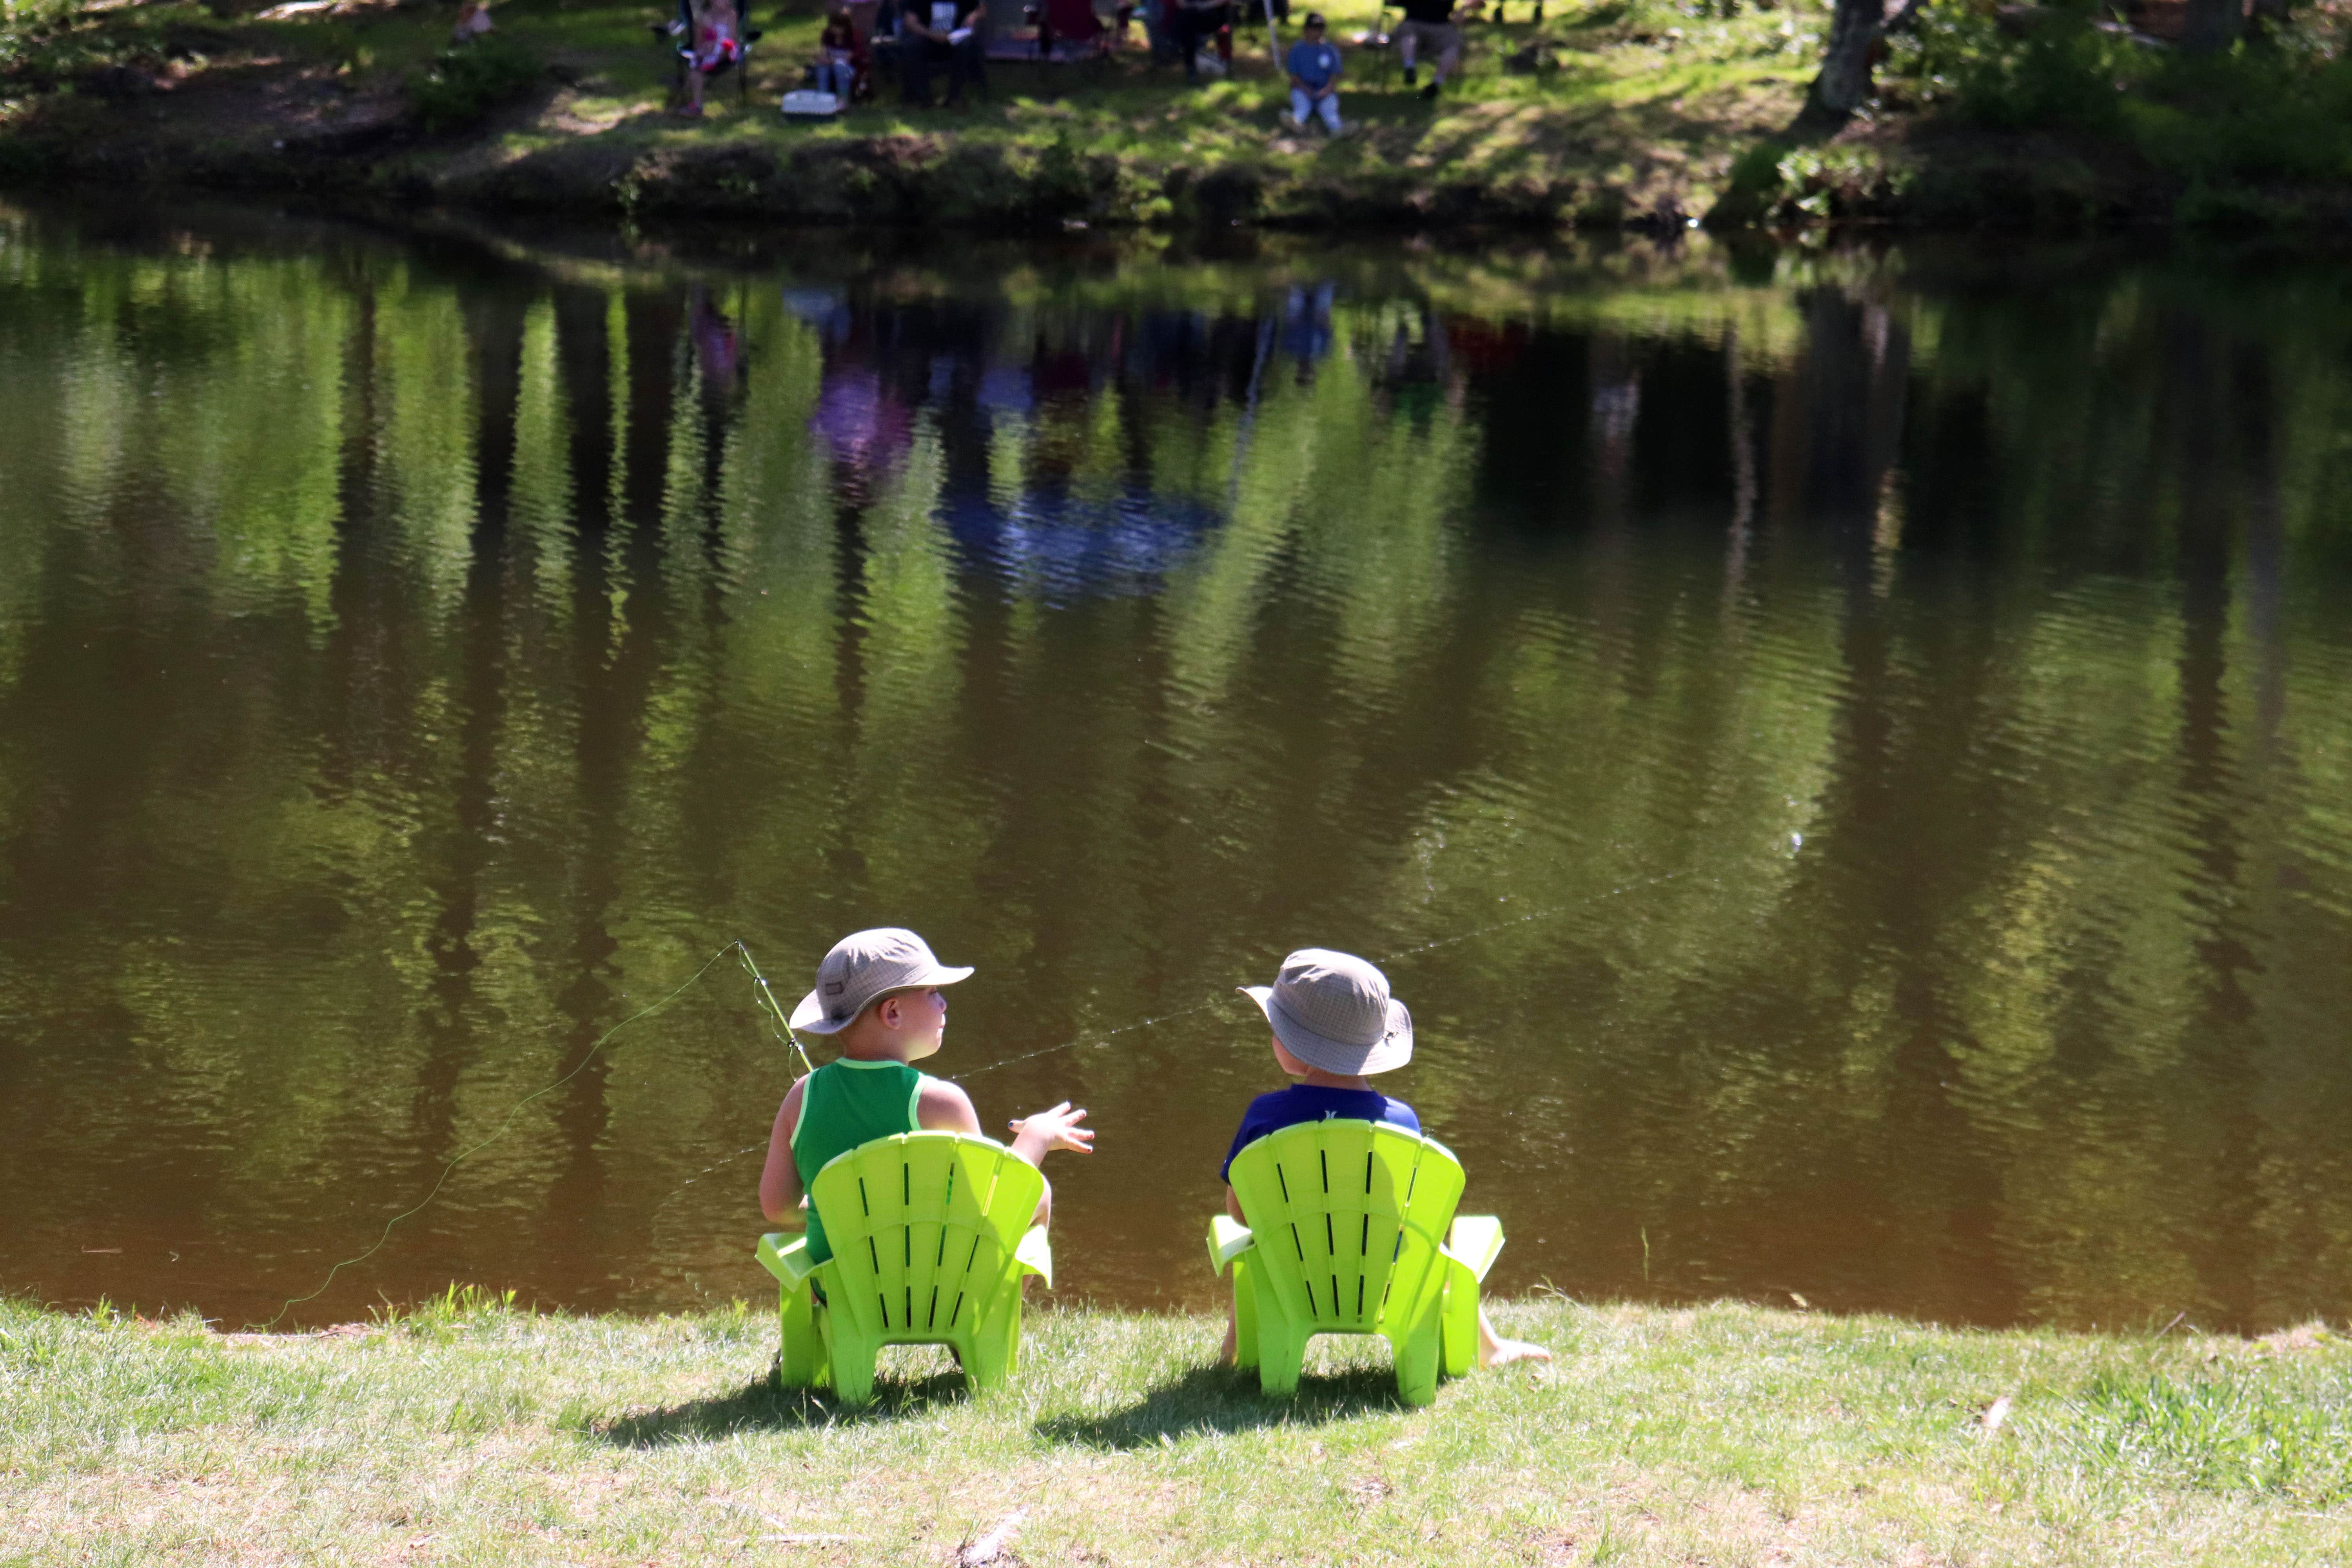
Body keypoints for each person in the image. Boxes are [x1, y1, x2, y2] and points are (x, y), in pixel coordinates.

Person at [1216, 948, 1552, 1369]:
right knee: (1432, 1246)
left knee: (1260, 1244)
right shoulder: (1401, 1121)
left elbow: (1240, 1213)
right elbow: (1413, 1215)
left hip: (1291, 1280)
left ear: (1294, 1049)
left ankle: (1233, 1356)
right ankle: (1490, 1347)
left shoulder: (1264, 1115)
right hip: (1386, 1284)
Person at [757, 929, 1092, 1268]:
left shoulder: (801, 1095)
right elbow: (991, 1206)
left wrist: (848, 1215)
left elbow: (777, 1208)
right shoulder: (941, 1102)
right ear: (893, 1014)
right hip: (939, 1303)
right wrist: (1037, 1135)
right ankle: (994, 1318)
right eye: (932, 992)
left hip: (846, 1304)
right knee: (1039, 1193)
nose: (944, 1003)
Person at [899, 0, 986, 106]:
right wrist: (934, 35)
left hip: (954, 40)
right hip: (926, 39)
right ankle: (922, 98)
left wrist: (973, 16)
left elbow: (982, 10)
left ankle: (955, 96)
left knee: (966, 45)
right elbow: (910, 23)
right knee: (911, 45)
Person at [676, 0, 744, 118]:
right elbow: (698, 44)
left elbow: (732, 38)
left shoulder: (732, 15)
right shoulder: (703, 18)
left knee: (726, 49)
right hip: (709, 53)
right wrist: (705, 47)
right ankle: (697, 106)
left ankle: (686, 91)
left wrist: (721, 47)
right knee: (697, 68)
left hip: (726, 51)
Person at [1283, 11, 1342, 133]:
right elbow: (1294, 76)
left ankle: (1339, 130)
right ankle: (1296, 123)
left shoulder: (1330, 49)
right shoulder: (1297, 49)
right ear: (1306, 29)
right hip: (1302, 89)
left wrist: (1325, 91)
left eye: (1320, 28)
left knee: (1329, 111)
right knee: (1302, 108)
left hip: (1325, 90)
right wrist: (1306, 90)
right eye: (1313, 28)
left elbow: (1334, 77)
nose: (1317, 32)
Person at [1393, 0, 1459, 100]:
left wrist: (1464, 8)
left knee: (1453, 43)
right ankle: (1410, 68)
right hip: (1414, 23)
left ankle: (1436, 84)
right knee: (1407, 32)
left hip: (1442, 26)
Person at [1169, 0, 1229, 82]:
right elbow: (1181, 3)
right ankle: (1190, 66)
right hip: (1191, 15)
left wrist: (1203, 6)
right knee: (1185, 20)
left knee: (1184, 21)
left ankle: (1189, 64)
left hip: (1214, 16)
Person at [815, 2, 864, 98]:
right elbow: (824, 53)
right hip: (831, 66)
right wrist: (821, 59)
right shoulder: (828, 37)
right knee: (822, 68)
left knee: (840, 66)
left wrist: (831, 61)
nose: (836, 30)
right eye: (834, 27)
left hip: (849, 69)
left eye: (839, 27)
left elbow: (847, 59)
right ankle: (823, 97)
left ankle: (843, 98)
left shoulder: (853, 39)